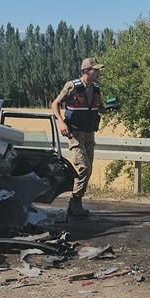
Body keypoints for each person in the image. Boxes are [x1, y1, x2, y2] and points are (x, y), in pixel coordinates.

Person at [51, 57, 105, 217]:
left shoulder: (95, 88)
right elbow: (55, 104)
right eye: (95, 70)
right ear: (86, 71)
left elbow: (99, 107)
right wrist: (61, 122)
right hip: (75, 133)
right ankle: (74, 203)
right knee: (83, 167)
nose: (98, 73)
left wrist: (107, 109)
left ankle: (76, 203)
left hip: (89, 133)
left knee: (88, 170)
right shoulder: (72, 86)